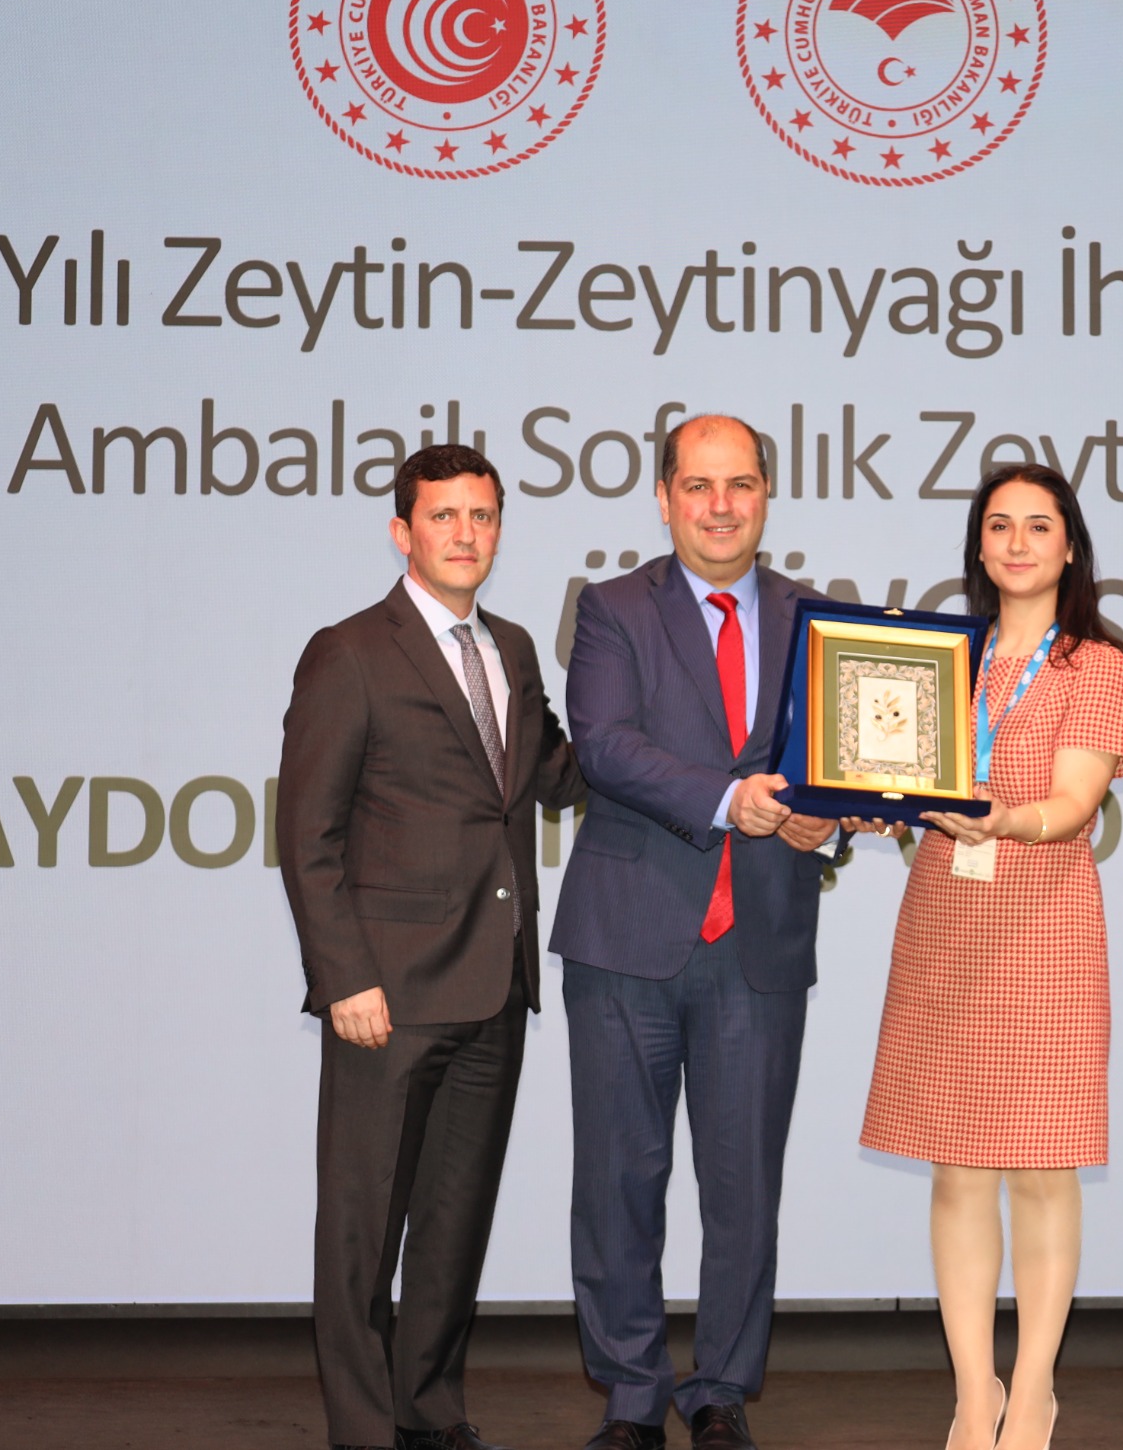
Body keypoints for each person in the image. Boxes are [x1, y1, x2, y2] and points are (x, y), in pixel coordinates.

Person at [277, 443, 586, 1450]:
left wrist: (661, 726)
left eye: (482, 516)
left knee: (455, 1223)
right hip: (390, 996)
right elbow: (308, 834)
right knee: (363, 1229)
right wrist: (344, 978)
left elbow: (559, 774)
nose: (465, 533)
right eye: (444, 515)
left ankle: (432, 1411)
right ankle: (365, 1429)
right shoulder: (350, 651)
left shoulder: (515, 649)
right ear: (401, 531)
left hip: (495, 984)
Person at [555, 415, 841, 1450]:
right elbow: (604, 744)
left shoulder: (819, 618)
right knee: (618, 1181)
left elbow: (834, 764)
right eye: (698, 485)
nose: (720, 506)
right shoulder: (612, 609)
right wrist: (732, 799)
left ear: (767, 493)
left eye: (740, 484)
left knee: (744, 1187)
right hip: (626, 937)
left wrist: (824, 816)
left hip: (759, 941)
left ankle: (719, 1389)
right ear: (665, 497)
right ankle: (632, 1394)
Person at [853, 464, 1123, 1450]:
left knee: (1042, 1168)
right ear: (978, 545)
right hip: (944, 916)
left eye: (1039, 526)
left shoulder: (1096, 664)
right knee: (958, 1167)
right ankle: (975, 1394)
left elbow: (1071, 806)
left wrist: (1001, 817)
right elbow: (899, 768)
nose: (1018, 543)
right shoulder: (946, 657)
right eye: (1000, 526)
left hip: (1043, 923)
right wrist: (880, 799)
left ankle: (1036, 1391)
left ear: (1071, 546)